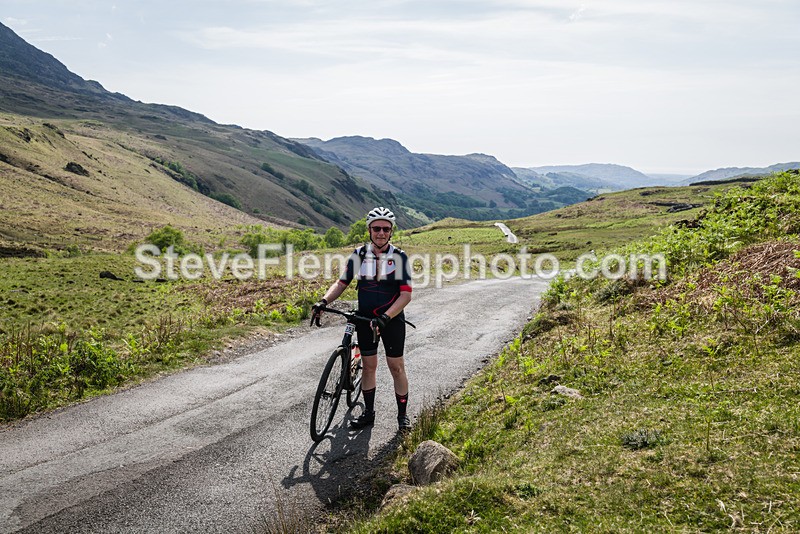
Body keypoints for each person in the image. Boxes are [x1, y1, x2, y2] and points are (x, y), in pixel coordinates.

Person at [311, 207, 413, 431]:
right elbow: (341, 284)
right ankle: (368, 413)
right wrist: (323, 301)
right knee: (368, 367)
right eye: (377, 228)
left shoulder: (399, 257)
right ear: (369, 230)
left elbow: (406, 295)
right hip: (365, 318)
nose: (381, 233)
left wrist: (386, 317)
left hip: (391, 319)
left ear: (391, 232)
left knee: (396, 367)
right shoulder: (359, 255)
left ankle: (402, 416)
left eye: (386, 229)